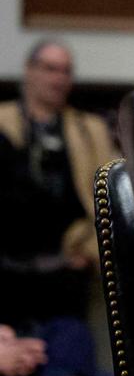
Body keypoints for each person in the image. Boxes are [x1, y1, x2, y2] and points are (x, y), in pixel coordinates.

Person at [0, 40, 116, 327]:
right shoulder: (3, 121)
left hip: (68, 264)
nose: (59, 79)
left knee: (69, 353)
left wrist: (89, 251)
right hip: (9, 264)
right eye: (50, 69)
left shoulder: (89, 129)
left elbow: (109, 193)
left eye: (66, 71)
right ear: (30, 71)